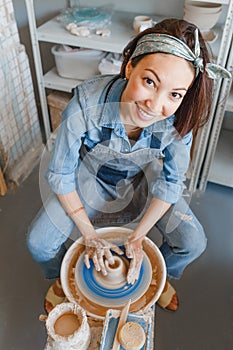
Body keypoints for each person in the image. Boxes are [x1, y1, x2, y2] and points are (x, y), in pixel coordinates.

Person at [27, 18, 231, 312]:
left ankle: (159, 274)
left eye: (175, 94)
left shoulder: (178, 120)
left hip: (142, 178)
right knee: (39, 243)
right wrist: (90, 236)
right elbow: (60, 174)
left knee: (193, 242)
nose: (155, 105)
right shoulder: (87, 103)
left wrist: (139, 238)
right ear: (129, 67)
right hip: (91, 176)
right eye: (150, 82)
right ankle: (62, 276)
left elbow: (172, 182)